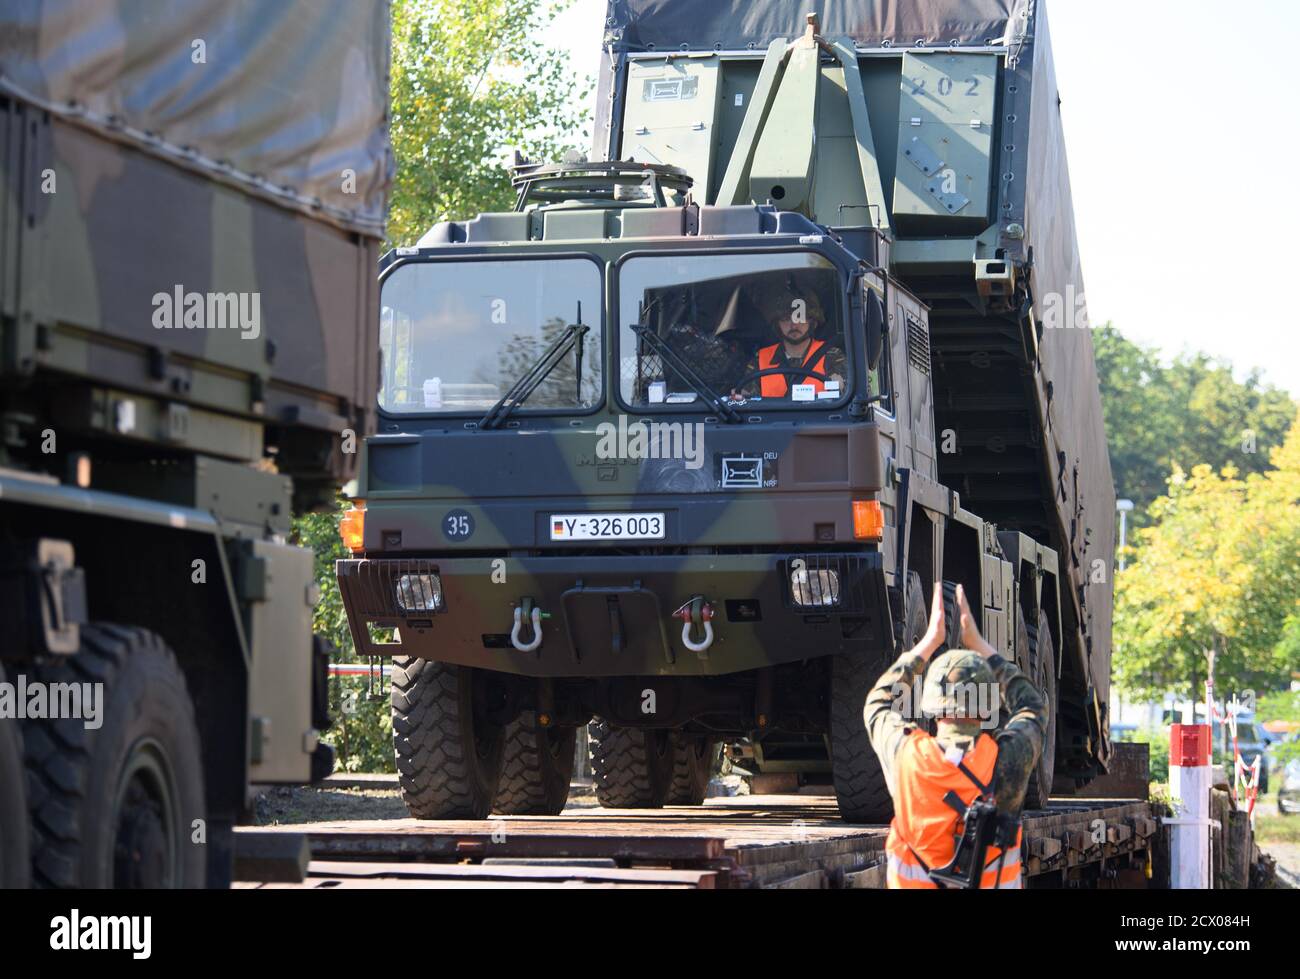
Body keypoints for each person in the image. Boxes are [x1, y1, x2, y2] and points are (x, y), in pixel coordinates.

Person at [865, 583, 1047, 889]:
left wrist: (927, 644)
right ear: (988, 704)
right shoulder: (1008, 759)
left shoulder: (906, 756)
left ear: (932, 704)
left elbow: (877, 704)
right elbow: (1033, 707)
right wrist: (980, 645)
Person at [732, 288, 845, 400]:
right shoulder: (760, 358)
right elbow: (747, 398)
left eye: (800, 318)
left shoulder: (831, 355)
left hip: (819, 417)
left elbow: (848, 398)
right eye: (786, 319)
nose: (794, 325)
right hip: (771, 418)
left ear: (813, 322)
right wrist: (740, 397)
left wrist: (841, 386)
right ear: (777, 325)